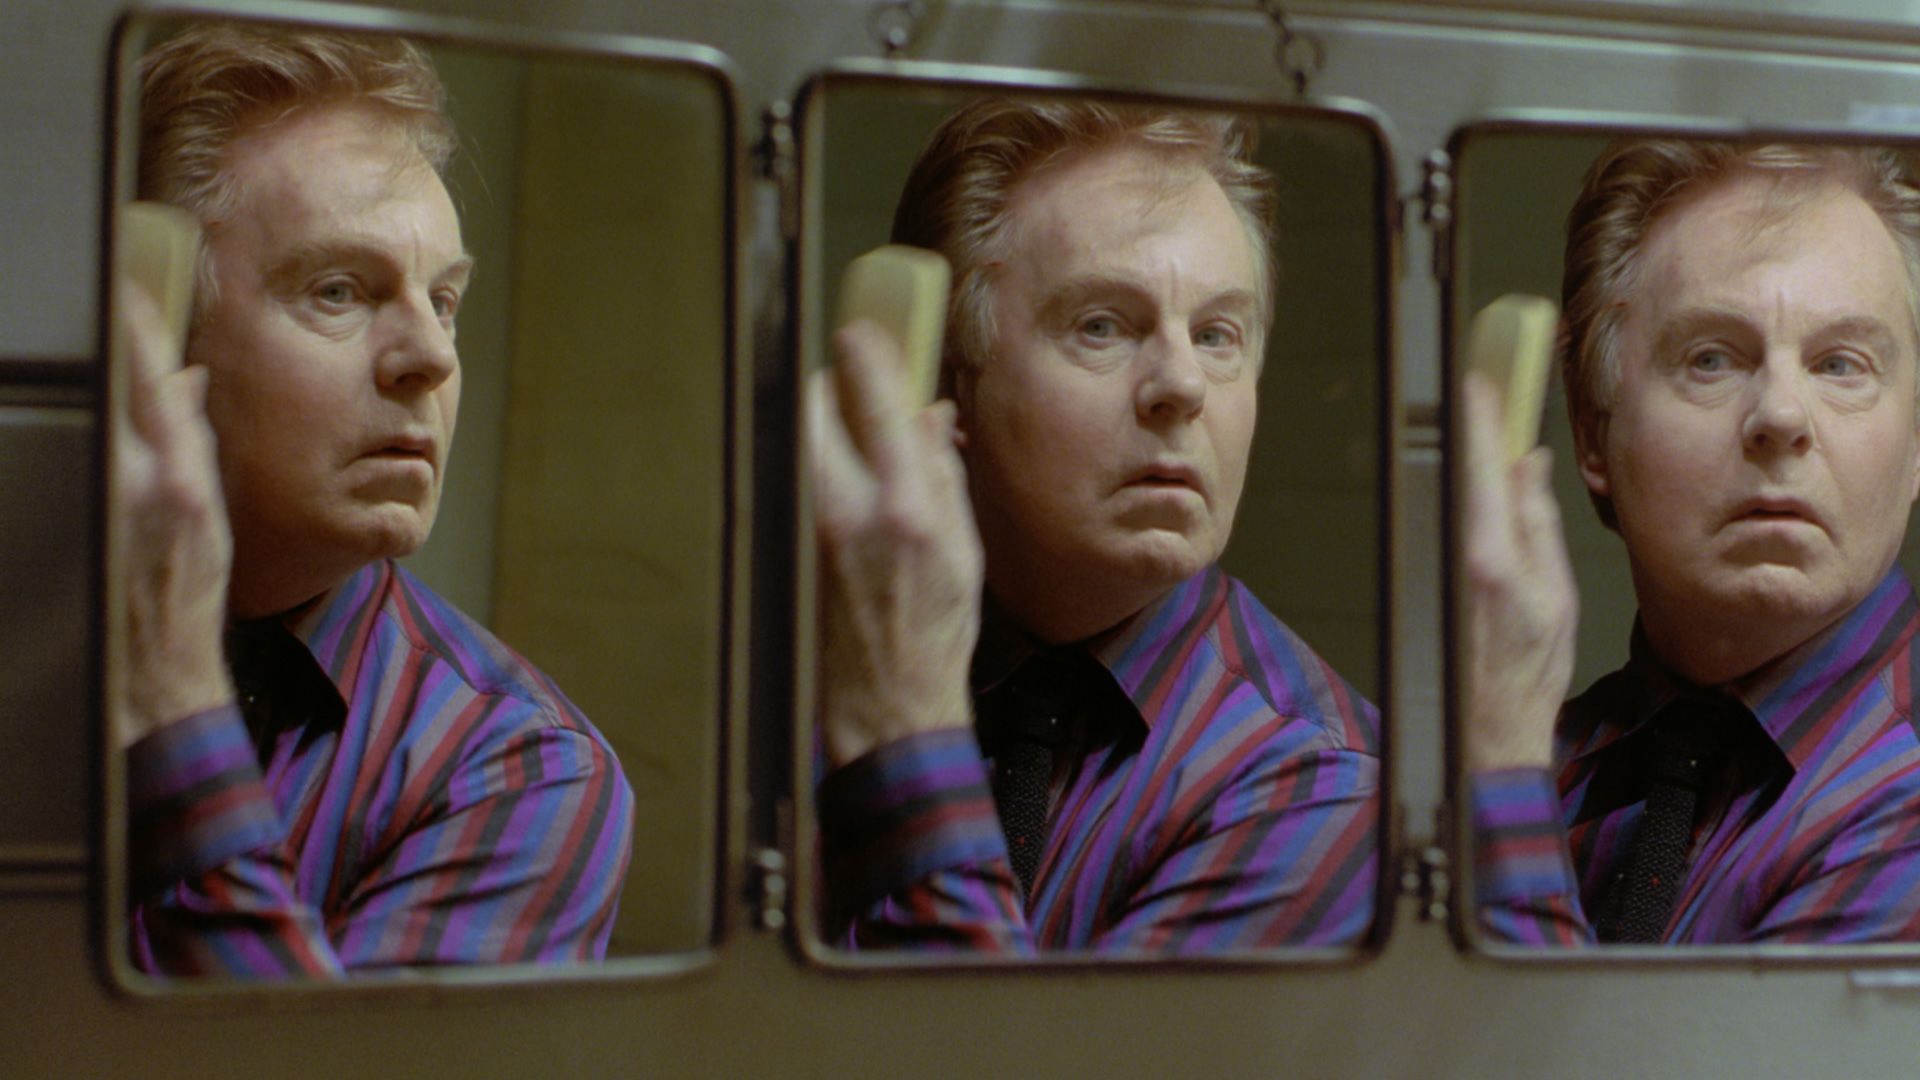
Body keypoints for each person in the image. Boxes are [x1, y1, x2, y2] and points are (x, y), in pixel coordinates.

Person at [116, 23, 634, 977]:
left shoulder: (520, 768)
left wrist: (177, 706)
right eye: (340, 291)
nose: (432, 357)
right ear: (148, 329)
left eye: (444, 300)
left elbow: (298, 1056)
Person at [807, 99, 1380, 953]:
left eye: (1217, 334)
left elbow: (942, 1030)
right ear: (947, 379)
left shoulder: (1319, 785)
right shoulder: (848, 648)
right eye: (1102, 325)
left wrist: (908, 739)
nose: (1182, 385)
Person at [1467, 140, 1920, 944]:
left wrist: (1499, 765)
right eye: (1711, 359)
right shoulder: (1557, 757)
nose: (1782, 415)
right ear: (1592, 432)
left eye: (1840, 365)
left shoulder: (1503, 754)